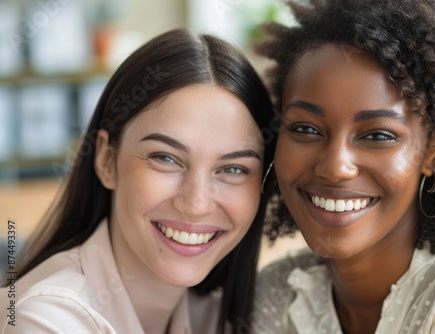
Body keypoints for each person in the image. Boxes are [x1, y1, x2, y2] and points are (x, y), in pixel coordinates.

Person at [0, 28, 276, 334]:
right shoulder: (45, 321)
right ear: (106, 160)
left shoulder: (220, 313)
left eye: (234, 169)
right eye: (166, 158)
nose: (196, 204)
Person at [252, 0, 435, 333]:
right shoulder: (277, 292)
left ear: (433, 148)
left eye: (378, 135)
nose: (335, 167)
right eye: (305, 129)